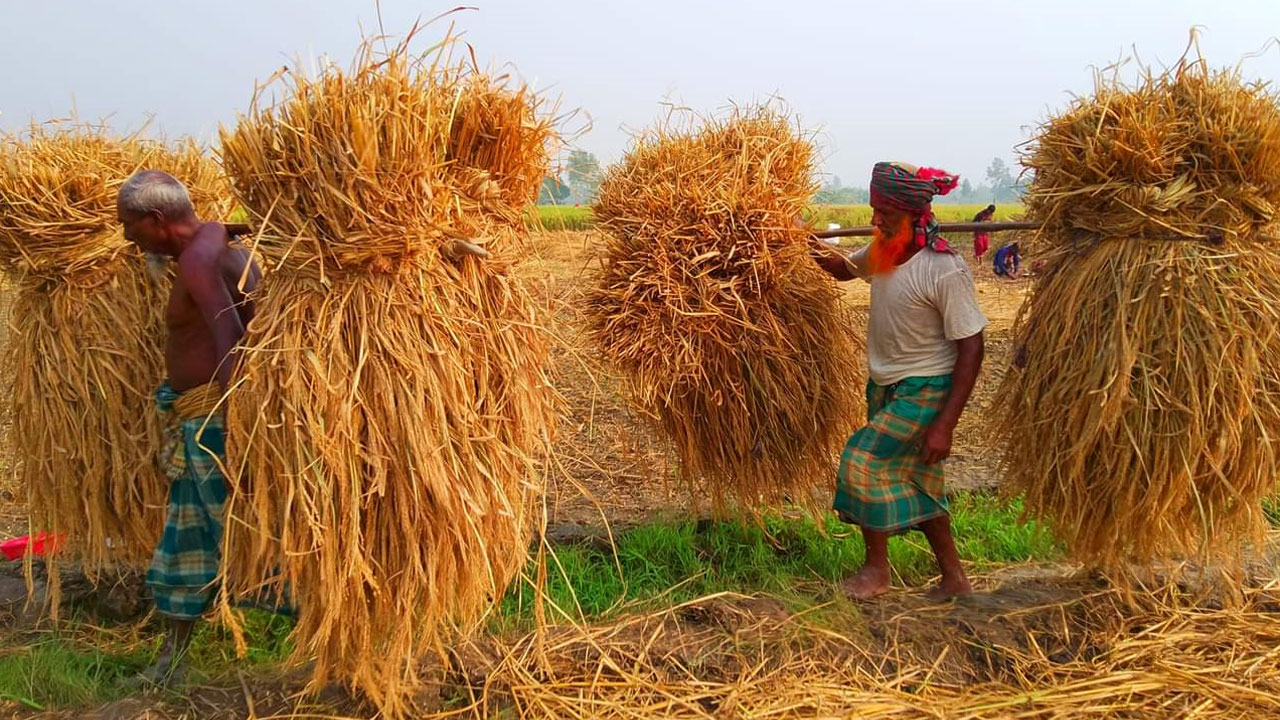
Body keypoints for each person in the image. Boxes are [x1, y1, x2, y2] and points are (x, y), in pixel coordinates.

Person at [809, 162, 987, 602]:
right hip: (886, 387)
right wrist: (800, 241)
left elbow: (972, 347)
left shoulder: (943, 269)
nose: (876, 219)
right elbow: (841, 269)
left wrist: (945, 424)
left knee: (862, 461)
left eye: (885, 212)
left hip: (926, 389)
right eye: (874, 209)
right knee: (918, 482)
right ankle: (955, 580)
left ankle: (876, 572)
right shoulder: (885, 251)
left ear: (912, 213)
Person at [116, 170, 262, 687]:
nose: (129, 239)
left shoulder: (200, 258)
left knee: (247, 537)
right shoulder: (212, 243)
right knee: (189, 536)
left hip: (215, 424)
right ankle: (170, 663)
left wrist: (238, 428)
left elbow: (231, 338)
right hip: (203, 422)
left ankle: (337, 646)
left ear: (157, 220)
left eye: (130, 226)